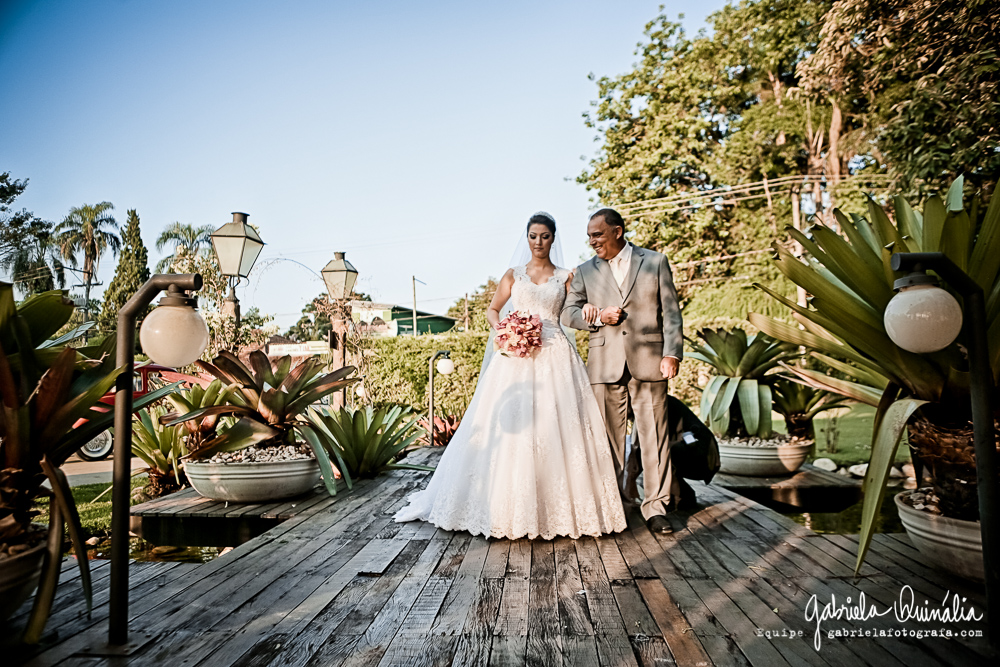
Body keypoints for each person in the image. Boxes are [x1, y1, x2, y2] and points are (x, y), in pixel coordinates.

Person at [394, 212, 627, 540]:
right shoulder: (512, 275)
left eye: (545, 236)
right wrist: (505, 328)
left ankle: (561, 510)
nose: (538, 242)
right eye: (533, 236)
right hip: (515, 355)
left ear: (553, 238)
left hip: (556, 352)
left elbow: (573, 310)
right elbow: (492, 309)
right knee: (512, 425)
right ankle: (505, 507)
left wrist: (596, 312)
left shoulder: (567, 276)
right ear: (527, 237)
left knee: (557, 425)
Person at [561, 208, 684, 534]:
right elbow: (566, 313)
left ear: (617, 231)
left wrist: (673, 354)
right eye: (589, 236)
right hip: (604, 365)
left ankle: (656, 507)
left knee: (654, 438)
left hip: (650, 362)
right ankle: (616, 505)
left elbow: (671, 314)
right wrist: (597, 315)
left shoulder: (655, 261)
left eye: (597, 234)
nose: (592, 241)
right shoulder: (585, 271)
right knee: (608, 441)